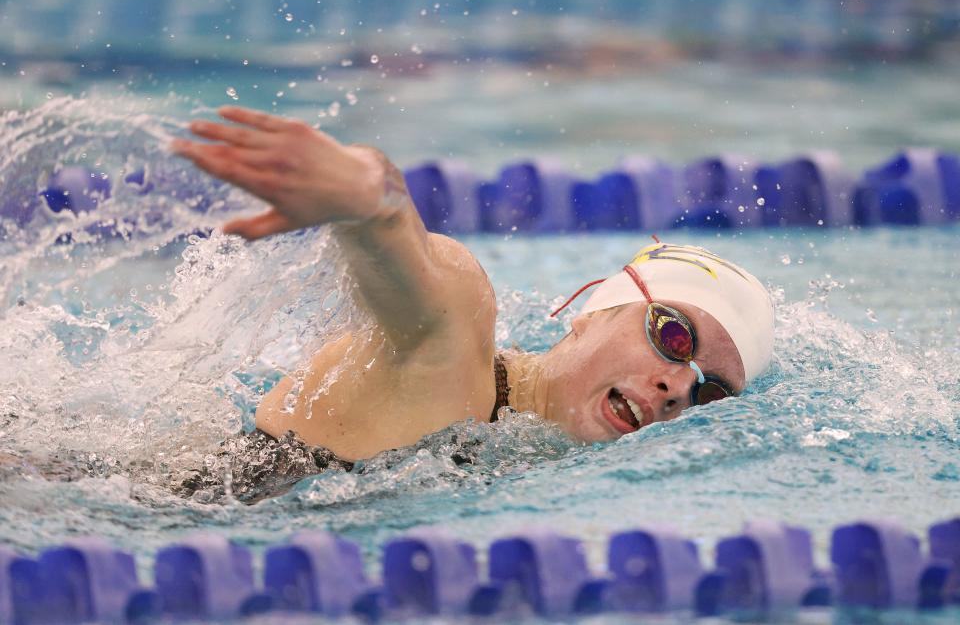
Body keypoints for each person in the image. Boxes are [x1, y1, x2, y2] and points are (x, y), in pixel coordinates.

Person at [170, 106, 775, 479]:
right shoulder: (454, 341)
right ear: (594, 313)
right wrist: (368, 199)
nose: (678, 388)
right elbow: (408, 257)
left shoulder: (525, 449)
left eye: (711, 392)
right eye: (674, 336)